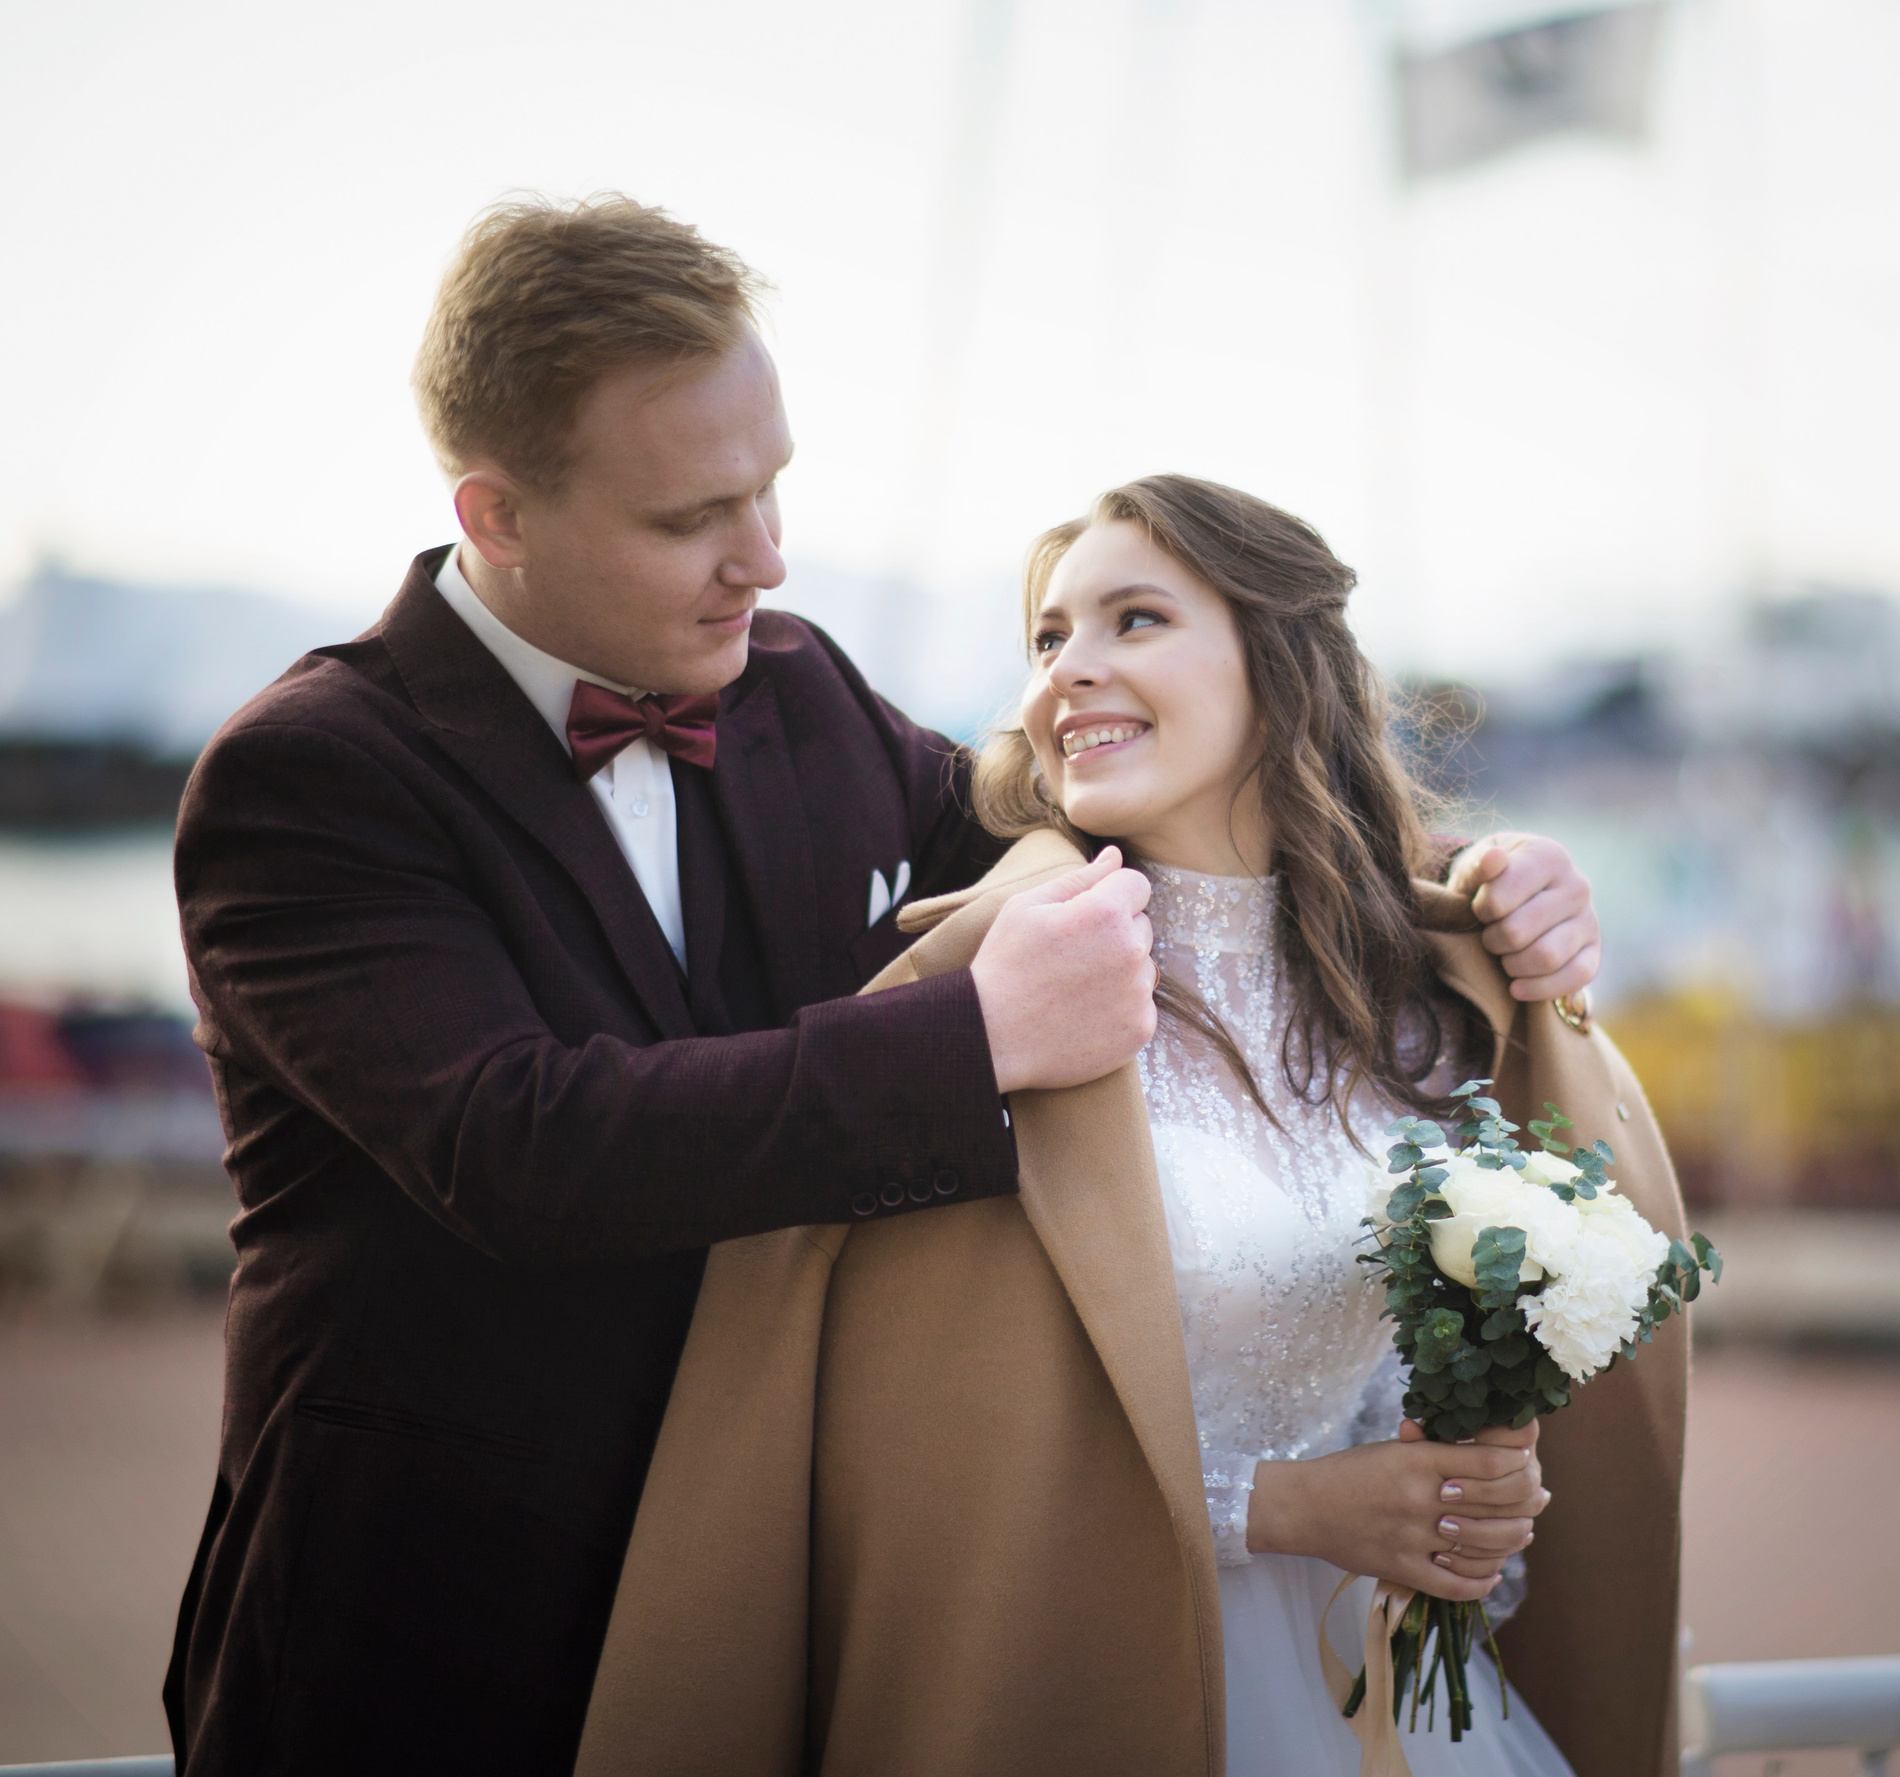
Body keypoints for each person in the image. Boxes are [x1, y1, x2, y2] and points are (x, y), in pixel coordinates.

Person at [161, 201, 1607, 1776]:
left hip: (799, 1611)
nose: (764, 557)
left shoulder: (798, 691)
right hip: (442, 1628)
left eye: (772, 484)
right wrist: (975, 1037)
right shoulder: (309, 778)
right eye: (693, 517)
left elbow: (1132, 818)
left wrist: (1453, 883)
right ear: (496, 516)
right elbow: (521, 1141)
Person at [574, 477, 1689, 1777]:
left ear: (1280, 669)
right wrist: (1280, 1507)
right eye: (1049, 639)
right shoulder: (992, 1011)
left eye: (1135, 619)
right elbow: (921, 1453)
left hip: (1403, 1703)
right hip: (1095, 1687)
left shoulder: (1428, 1011)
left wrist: (1464, 1496)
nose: (1068, 673)